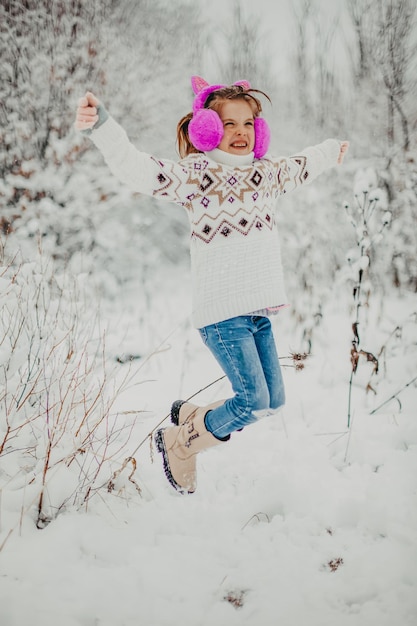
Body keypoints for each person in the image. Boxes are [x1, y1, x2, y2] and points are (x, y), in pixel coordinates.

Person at [75, 76, 349, 496]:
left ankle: (193, 418)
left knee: (273, 403)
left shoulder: (267, 175)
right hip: (222, 316)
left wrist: (331, 151)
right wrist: (104, 126)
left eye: (248, 125)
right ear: (208, 129)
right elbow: (139, 169)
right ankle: (181, 444)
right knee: (252, 402)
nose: (240, 133)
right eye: (229, 124)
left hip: (257, 314)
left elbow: (302, 164)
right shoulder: (197, 176)